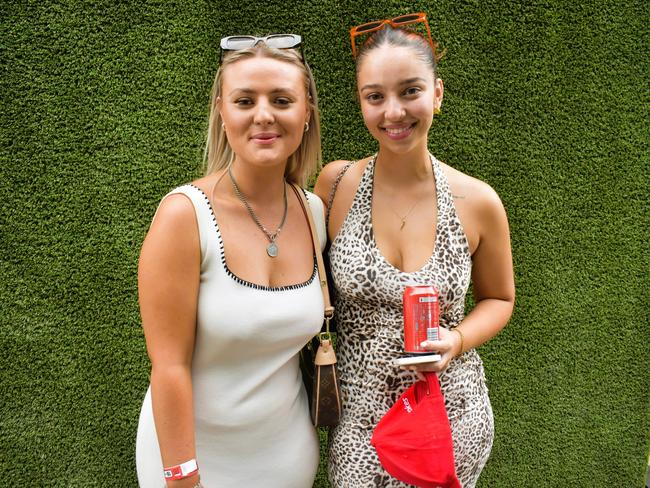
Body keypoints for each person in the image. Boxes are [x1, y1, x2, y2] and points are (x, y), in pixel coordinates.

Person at [314, 14, 515, 488]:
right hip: (360, 423)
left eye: (410, 91)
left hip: (451, 415)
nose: (393, 112)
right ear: (361, 102)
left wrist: (457, 341)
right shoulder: (336, 185)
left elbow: (499, 299)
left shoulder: (478, 201)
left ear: (437, 94)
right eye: (375, 96)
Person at [136, 34, 326, 488]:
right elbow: (169, 366)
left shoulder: (313, 211)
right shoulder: (184, 215)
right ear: (222, 113)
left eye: (282, 99)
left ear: (305, 115)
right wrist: (183, 478)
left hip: (289, 460)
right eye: (245, 100)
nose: (264, 115)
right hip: (194, 463)